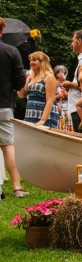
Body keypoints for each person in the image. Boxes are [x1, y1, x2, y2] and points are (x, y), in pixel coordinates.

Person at [0, 16, 29, 198]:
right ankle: (17, 187)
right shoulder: (11, 52)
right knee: (8, 145)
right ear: (2, 30)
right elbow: (19, 83)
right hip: (3, 104)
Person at [18, 51, 59, 128]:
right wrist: (25, 80)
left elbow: (50, 100)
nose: (31, 62)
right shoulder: (30, 77)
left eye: (34, 60)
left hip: (45, 116)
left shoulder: (49, 76)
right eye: (30, 60)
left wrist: (43, 120)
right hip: (31, 113)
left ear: (42, 62)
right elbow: (21, 95)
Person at [61, 30, 82, 134]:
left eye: (73, 40)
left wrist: (68, 84)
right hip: (77, 106)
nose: (71, 44)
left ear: (79, 41)